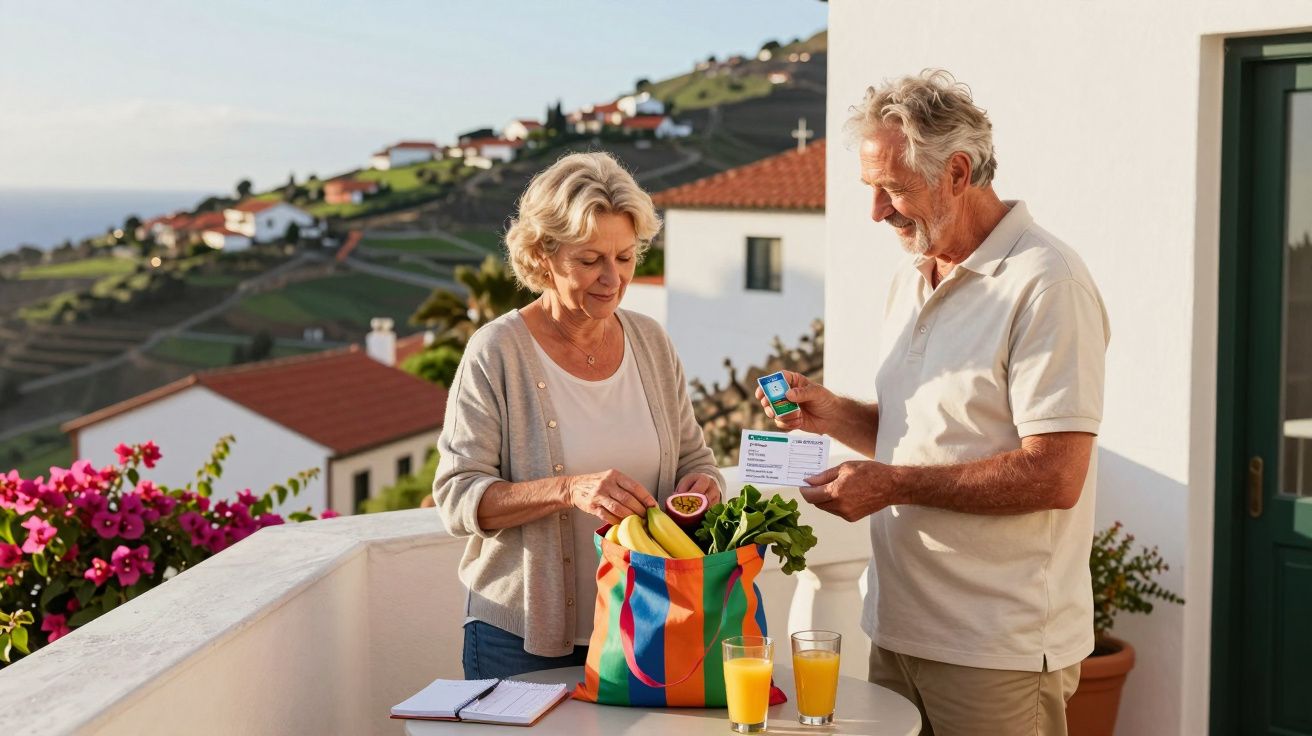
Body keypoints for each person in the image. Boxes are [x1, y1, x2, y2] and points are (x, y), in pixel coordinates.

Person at [758, 70, 1110, 736]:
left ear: (956, 171)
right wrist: (832, 414)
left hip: (994, 649)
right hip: (897, 629)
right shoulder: (911, 277)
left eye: (892, 189)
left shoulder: (1047, 283)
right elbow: (923, 435)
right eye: (872, 190)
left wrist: (889, 485)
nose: (877, 213)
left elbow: (1055, 475)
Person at [433, 152, 723, 680]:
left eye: (626, 257)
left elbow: (694, 456)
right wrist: (568, 490)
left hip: (644, 628)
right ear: (544, 255)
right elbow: (457, 497)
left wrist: (703, 484)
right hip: (519, 638)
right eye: (590, 260)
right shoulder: (496, 351)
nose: (612, 279)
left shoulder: (651, 342)